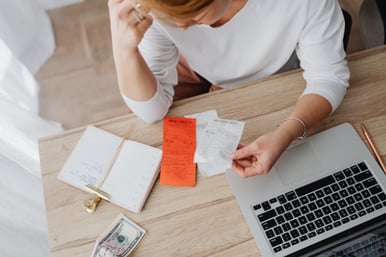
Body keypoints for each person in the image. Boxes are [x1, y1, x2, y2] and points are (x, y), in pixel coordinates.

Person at [108, 0, 350, 178]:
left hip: (273, 67)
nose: (180, 28)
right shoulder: (154, 7)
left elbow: (328, 77)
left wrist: (285, 134)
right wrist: (123, 49)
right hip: (190, 63)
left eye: (194, 14)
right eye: (171, 18)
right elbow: (151, 112)